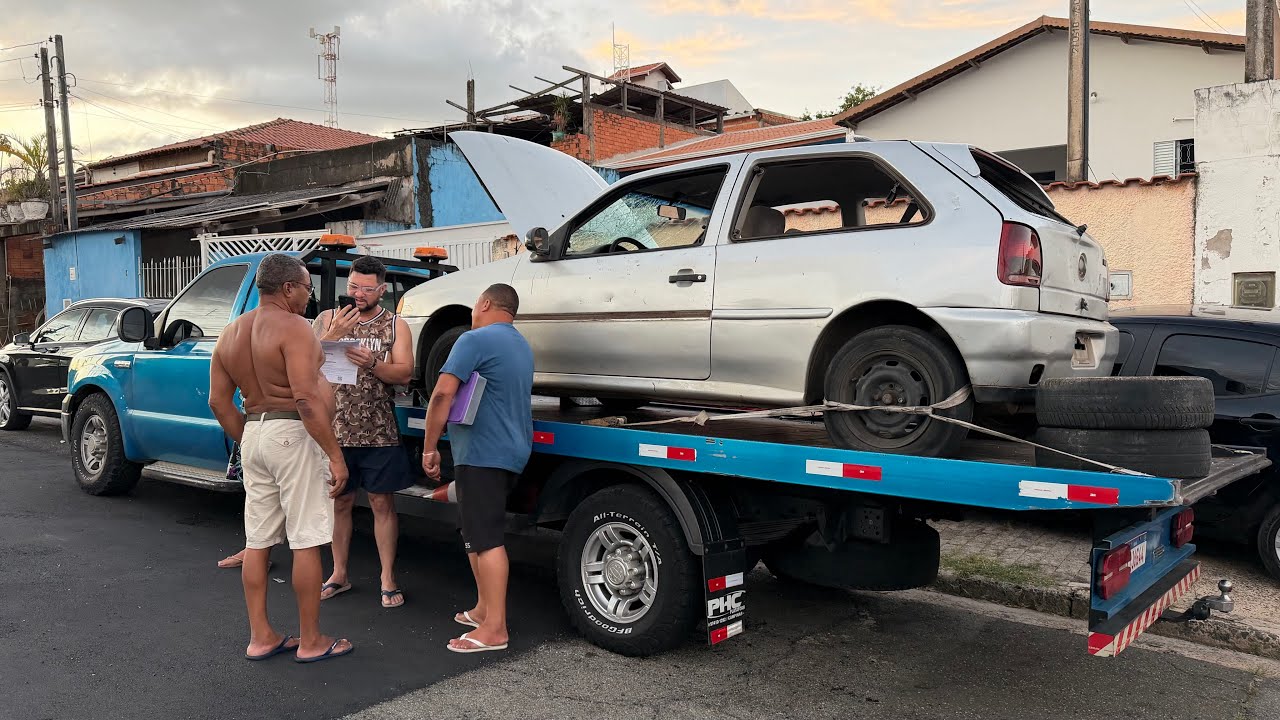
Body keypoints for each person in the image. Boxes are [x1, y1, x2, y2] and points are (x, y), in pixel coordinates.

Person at [208, 253, 354, 664]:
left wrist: (252, 437)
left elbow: (218, 401)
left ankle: (262, 636)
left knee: (258, 541)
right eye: (307, 288)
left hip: (253, 430)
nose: (309, 297)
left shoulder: (230, 333)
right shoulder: (295, 327)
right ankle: (311, 641)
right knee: (306, 538)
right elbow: (306, 399)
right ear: (288, 287)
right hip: (293, 431)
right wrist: (335, 455)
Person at [422, 283, 533, 654]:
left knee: (486, 539)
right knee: (474, 532)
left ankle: (496, 628)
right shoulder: (520, 344)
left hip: (484, 453)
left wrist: (429, 447)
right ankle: (484, 610)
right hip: (507, 450)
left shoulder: (474, 340)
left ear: (484, 303)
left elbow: (441, 393)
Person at [312, 256, 415, 608]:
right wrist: (333, 335)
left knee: (381, 503)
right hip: (334, 430)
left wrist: (372, 362)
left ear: (381, 290)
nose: (356, 293)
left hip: (378, 430)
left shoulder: (396, 325)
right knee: (339, 502)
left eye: (365, 288)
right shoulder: (327, 318)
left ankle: (387, 576)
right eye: (352, 286)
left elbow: (403, 374)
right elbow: (304, 361)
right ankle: (339, 573)